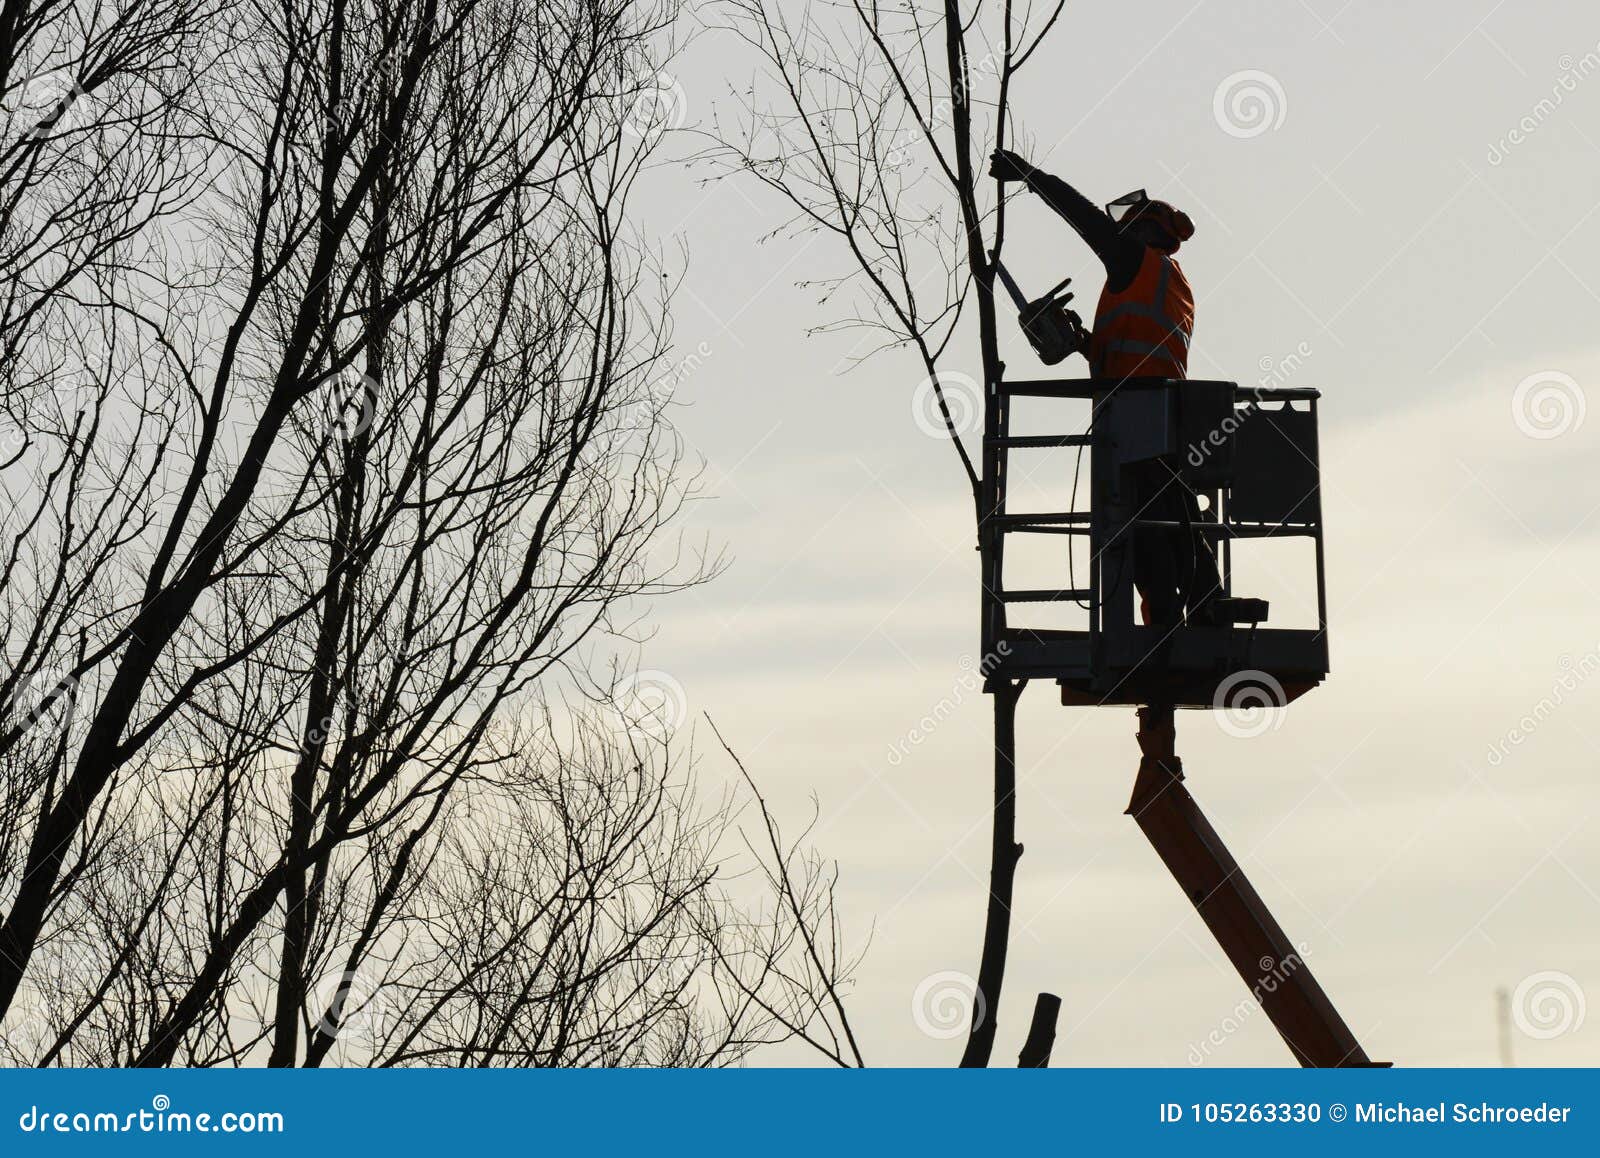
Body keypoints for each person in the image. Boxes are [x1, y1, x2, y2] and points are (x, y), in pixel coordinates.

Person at [989, 149, 1221, 627]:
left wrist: (1030, 176)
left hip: (1138, 418)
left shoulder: (1137, 263)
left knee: (1152, 531)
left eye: (1129, 228)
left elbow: (1084, 218)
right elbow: (1135, 352)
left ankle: (1178, 625)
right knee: (1165, 528)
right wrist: (1080, 343)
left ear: (1143, 230)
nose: (1122, 237)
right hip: (1154, 417)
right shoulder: (1164, 282)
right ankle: (1197, 616)